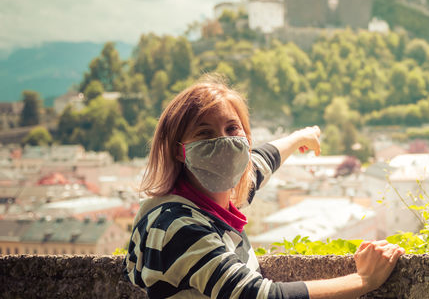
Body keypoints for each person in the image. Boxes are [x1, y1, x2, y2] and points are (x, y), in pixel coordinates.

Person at [125, 76, 404, 298]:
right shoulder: (177, 226)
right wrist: (364, 279)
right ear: (179, 151)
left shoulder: (212, 200)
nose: (224, 142)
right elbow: (256, 295)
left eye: (232, 129)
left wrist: (299, 138)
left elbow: (260, 163)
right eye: (205, 133)